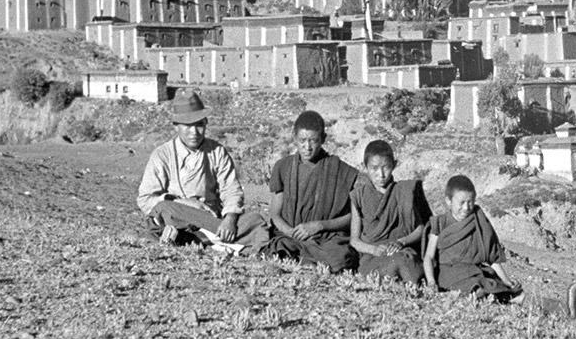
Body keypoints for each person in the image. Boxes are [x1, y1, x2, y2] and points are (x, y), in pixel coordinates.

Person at [136, 89, 268, 251]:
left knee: (256, 220)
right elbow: (145, 200)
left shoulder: (217, 151)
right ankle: (215, 241)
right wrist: (184, 203)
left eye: (199, 125)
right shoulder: (162, 155)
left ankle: (199, 240)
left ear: (205, 123)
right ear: (176, 126)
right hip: (177, 216)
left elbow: (231, 190)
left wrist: (230, 219)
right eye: (188, 126)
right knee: (163, 209)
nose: (194, 132)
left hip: (212, 219)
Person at [262, 110, 359, 271]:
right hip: (291, 236)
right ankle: (307, 260)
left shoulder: (340, 170)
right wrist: (291, 232)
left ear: (323, 139)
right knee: (278, 246)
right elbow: (275, 214)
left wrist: (320, 225)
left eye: (313, 141)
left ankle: (305, 260)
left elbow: (352, 217)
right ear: (294, 138)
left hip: (325, 237)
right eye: (302, 140)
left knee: (340, 256)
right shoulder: (283, 167)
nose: (307, 147)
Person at [423, 174, 525, 302]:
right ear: (448, 201)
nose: (466, 208)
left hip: (475, 271)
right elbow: (429, 257)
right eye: (461, 203)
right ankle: (491, 296)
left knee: (495, 285)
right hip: (450, 273)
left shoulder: (477, 220)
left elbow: (491, 258)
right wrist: (431, 282)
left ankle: (497, 295)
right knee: (479, 288)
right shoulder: (440, 223)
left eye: (470, 202)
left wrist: (506, 280)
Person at [349, 140, 431, 284]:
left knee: (403, 260)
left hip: (401, 251)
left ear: (395, 164)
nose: (380, 174)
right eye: (374, 168)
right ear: (364, 167)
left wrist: (401, 242)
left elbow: (420, 229)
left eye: (386, 167)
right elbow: (354, 240)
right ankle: (402, 279)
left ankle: (401, 279)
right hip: (373, 256)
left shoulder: (404, 191)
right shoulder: (358, 196)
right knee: (396, 265)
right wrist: (374, 250)